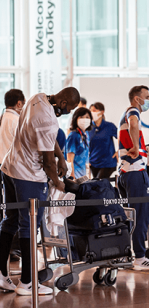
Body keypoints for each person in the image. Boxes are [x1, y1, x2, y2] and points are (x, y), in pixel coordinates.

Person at [0, 87, 80, 295]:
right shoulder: (49, 120)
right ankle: (27, 283)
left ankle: (1, 274)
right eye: (70, 109)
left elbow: (47, 136)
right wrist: (58, 183)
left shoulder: (38, 98)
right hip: (28, 176)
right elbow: (47, 163)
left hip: (9, 168)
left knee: (10, 220)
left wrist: (60, 156)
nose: (69, 112)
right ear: (63, 104)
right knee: (29, 225)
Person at [117, 85, 149, 270]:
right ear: (137, 98)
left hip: (125, 172)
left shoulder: (124, 116)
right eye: (146, 97)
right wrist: (136, 146)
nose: (148, 100)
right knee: (140, 216)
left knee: (130, 216)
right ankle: (140, 257)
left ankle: (127, 253)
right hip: (135, 173)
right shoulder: (133, 111)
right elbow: (134, 123)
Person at [0, 89, 25, 261]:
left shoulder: (2, 118)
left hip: (3, 169)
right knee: (18, 212)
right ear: (19, 103)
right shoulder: (17, 120)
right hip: (15, 171)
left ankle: (7, 250)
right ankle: (15, 248)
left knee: (9, 212)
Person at [88, 102, 118, 179]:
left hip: (108, 163)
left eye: (94, 110)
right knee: (99, 185)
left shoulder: (109, 126)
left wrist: (119, 151)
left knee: (99, 183)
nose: (92, 113)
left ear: (102, 112)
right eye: (91, 111)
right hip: (93, 162)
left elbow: (123, 138)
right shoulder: (89, 128)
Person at [66, 108, 92, 179]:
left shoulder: (86, 134)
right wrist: (72, 177)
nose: (84, 119)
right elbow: (69, 159)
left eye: (87, 117)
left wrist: (88, 176)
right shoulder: (73, 135)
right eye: (81, 117)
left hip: (84, 175)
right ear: (75, 118)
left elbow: (86, 158)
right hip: (75, 175)